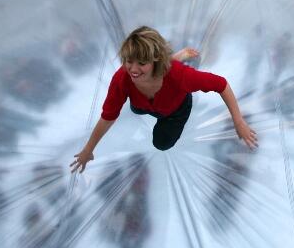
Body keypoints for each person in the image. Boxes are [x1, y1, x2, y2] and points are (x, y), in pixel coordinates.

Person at [70, 27, 257, 172]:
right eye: (129, 61)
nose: (133, 69)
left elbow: (221, 84)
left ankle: (184, 60)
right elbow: (108, 116)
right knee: (136, 109)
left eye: (141, 63)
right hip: (146, 104)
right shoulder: (122, 78)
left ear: (156, 61)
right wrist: (88, 149)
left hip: (175, 109)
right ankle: (178, 57)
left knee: (161, 143)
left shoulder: (181, 77)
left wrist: (238, 121)